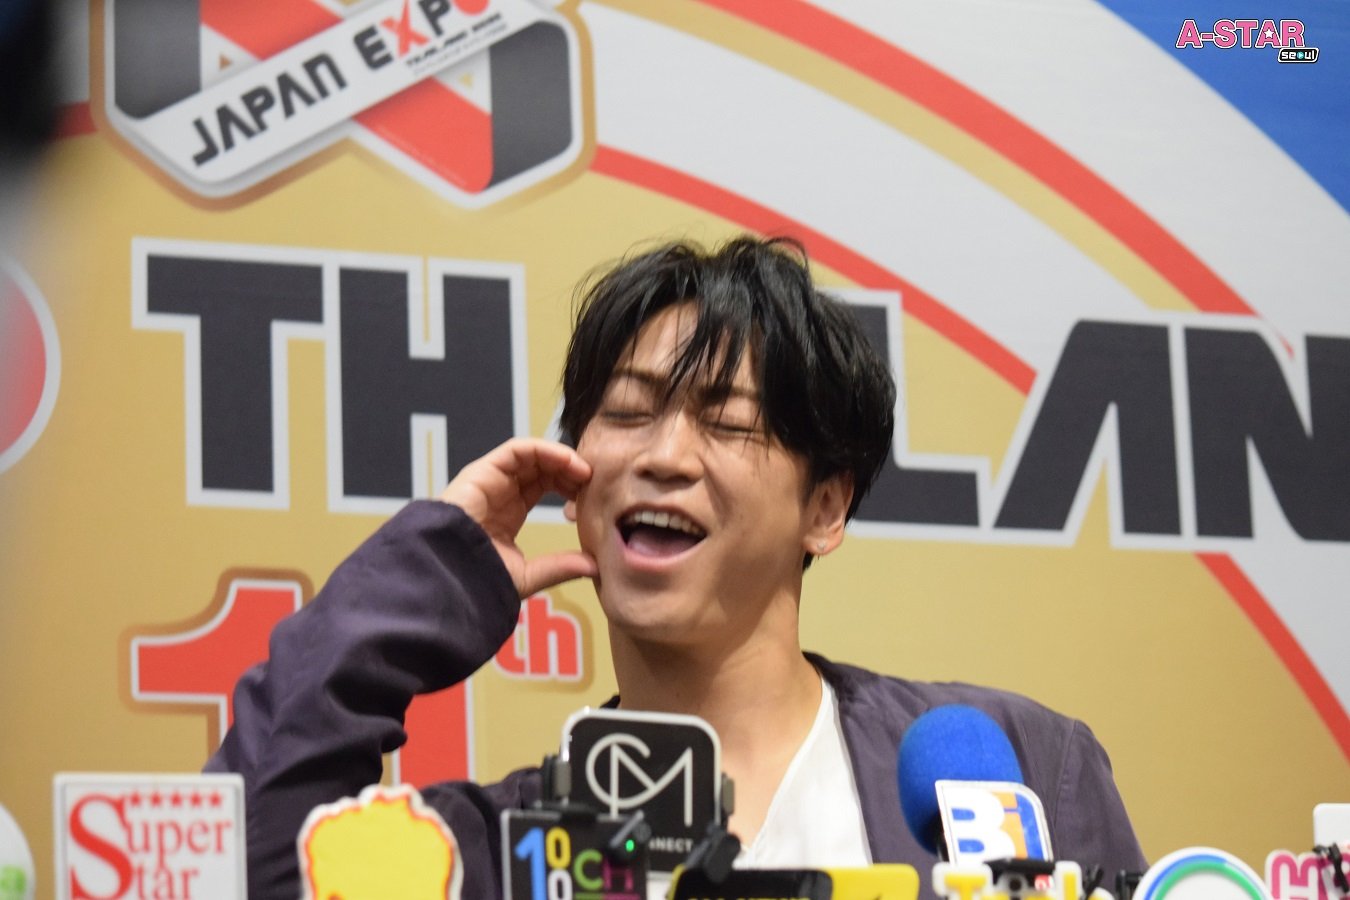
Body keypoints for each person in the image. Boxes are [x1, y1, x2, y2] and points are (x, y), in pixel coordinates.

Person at [207, 236, 1145, 899]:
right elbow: (248, 870)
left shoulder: (1016, 771)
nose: (664, 455)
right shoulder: (502, 853)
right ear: (572, 480)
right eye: (627, 411)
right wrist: (427, 577)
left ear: (825, 509)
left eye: (727, 421)